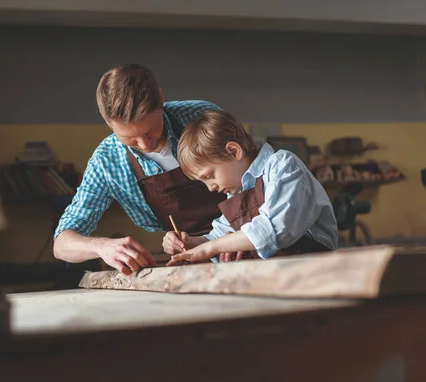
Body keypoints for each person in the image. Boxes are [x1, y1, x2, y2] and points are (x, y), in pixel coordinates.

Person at [53, 63, 229, 275]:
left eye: (150, 131)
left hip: (250, 236)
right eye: (129, 139)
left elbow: (255, 178)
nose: (145, 145)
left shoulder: (200, 116)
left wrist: (236, 234)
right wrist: (102, 247)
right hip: (197, 261)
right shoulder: (107, 161)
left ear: (161, 99)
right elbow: (62, 243)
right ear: (108, 122)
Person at [163, 109, 338, 265]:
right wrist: (188, 243)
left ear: (233, 151)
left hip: (314, 271)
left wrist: (211, 248)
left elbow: (274, 228)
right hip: (273, 277)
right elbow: (216, 237)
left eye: (209, 176)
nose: (210, 188)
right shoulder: (236, 193)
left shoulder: (282, 165)